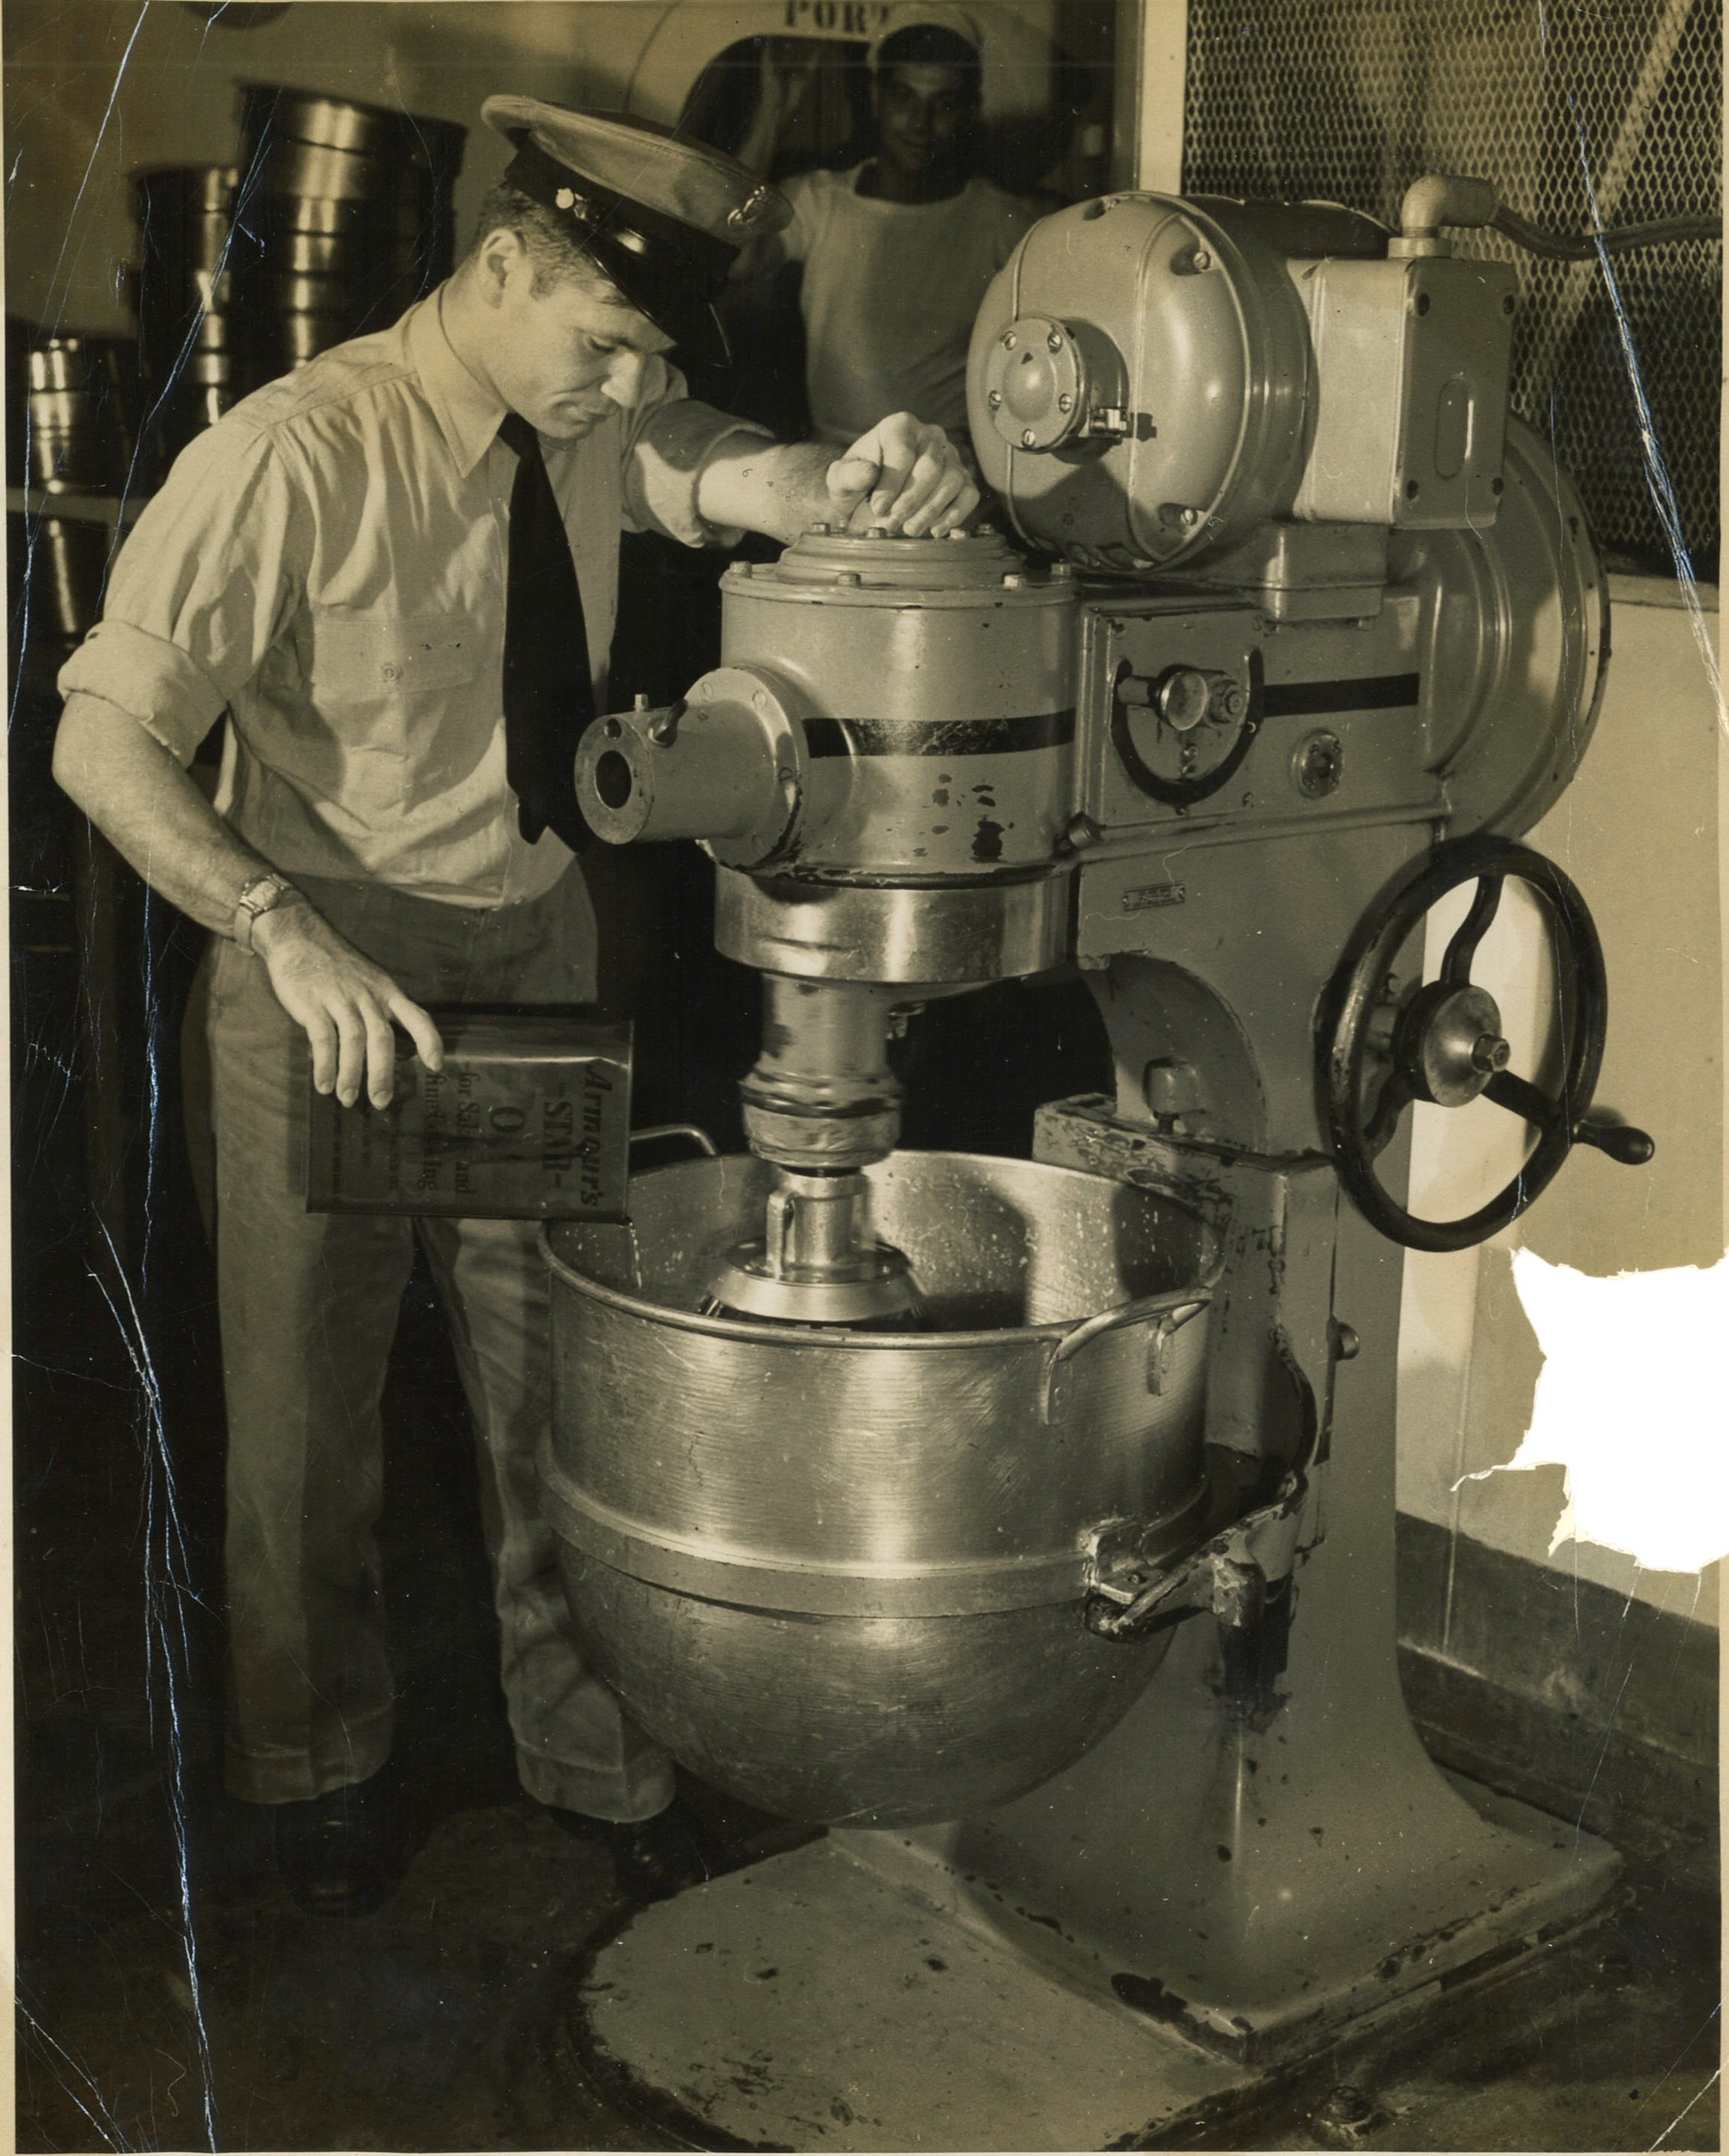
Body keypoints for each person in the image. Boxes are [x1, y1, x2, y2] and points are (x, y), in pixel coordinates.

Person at [51, 96, 977, 1919]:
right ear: (498, 266)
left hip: (531, 947)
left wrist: (846, 475)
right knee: (303, 1420)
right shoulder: (293, 452)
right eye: (606, 336)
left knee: (558, 1394)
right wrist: (275, 924)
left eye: (647, 350)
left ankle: (596, 1771)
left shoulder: (588, 413)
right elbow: (99, 732)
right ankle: (309, 1779)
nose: (625, 379)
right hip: (326, 961)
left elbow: (720, 470)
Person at [734, 6, 1037, 452]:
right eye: (904, 97)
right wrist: (773, 109)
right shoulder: (820, 202)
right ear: (877, 97)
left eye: (944, 104)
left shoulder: (1003, 224)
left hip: (949, 473)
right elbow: (739, 262)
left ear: (971, 110)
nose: (921, 124)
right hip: (833, 465)